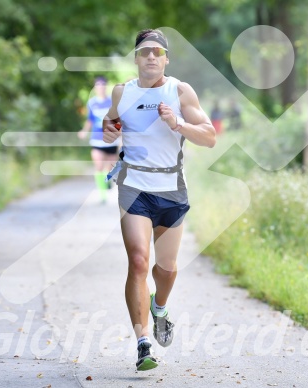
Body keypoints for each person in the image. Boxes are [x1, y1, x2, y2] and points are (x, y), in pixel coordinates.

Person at [102, 29, 216, 371]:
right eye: (144, 51)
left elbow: (209, 137)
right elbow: (111, 122)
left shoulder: (180, 91)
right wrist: (110, 128)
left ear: (166, 59)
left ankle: (161, 308)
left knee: (165, 270)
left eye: (157, 52)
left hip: (171, 187)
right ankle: (142, 344)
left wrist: (177, 122)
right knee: (138, 261)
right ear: (136, 58)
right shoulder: (122, 91)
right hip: (133, 185)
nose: (151, 56)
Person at [78, 76, 121, 203]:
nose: (100, 88)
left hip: (110, 139)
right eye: (98, 85)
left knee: (109, 168)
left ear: (105, 87)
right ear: (95, 88)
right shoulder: (92, 103)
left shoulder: (112, 102)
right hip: (96, 139)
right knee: (98, 165)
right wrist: (84, 131)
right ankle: (102, 195)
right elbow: (90, 120)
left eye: (103, 85)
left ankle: (108, 182)